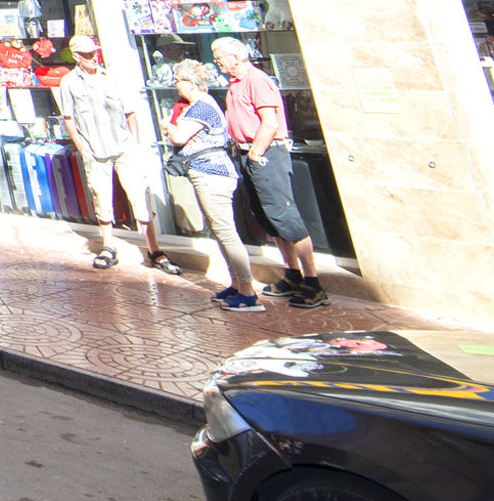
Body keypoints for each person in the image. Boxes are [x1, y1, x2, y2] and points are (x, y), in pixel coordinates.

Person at [212, 36, 326, 308]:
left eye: (219, 55)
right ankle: (292, 274)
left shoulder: (256, 80)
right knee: (269, 217)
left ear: (235, 57)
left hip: (265, 153)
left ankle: (313, 283)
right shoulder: (235, 83)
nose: (216, 60)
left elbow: (270, 122)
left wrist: (255, 153)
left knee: (285, 214)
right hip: (248, 153)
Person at [55, 34, 179, 274]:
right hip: (94, 148)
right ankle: (107, 244)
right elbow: (69, 117)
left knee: (139, 194)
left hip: (123, 145)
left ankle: (153, 248)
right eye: (87, 54)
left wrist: (134, 142)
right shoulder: (69, 82)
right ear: (77, 57)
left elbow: (130, 112)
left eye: (94, 53)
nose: (93, 58)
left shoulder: (111, 77)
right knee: (101, 195)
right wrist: (82, 147)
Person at [166, 61, 261, 310]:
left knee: (225, 231)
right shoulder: (200, 106)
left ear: (190, 83)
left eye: (177, 80)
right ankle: (237, 283)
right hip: (206, 172)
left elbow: (178, 137)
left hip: (212, 173)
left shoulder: (202, 107)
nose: (176, 85)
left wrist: (168, 127)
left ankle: (248, 291)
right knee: (219, 230)